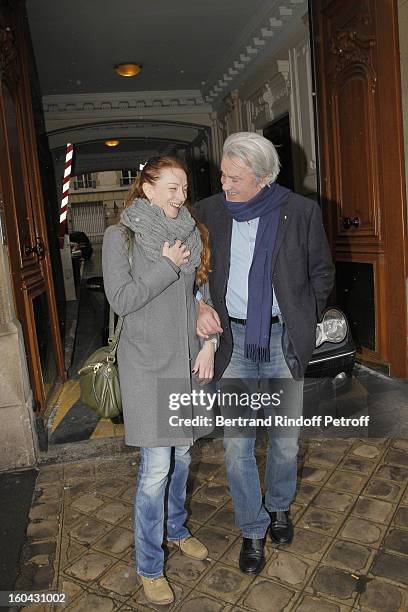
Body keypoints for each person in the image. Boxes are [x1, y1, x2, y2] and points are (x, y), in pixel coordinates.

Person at [195, 132, 335, 574]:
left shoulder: (300, 211)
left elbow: (321, 273)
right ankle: (252, 530)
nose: (225, 183)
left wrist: (302, 321)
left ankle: (279, 506)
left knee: (285, 443)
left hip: (280, 342)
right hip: (231, 343)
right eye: (222, 173)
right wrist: (199, 304)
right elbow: (191, 271)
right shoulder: (209, 212)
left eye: (235, 177)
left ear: (263, 178)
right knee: (237, 448)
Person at [102, 156, 217, 605]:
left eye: (184, 188)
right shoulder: (120, 236)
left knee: (184, 457)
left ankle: (175, 528)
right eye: (171, 187)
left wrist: (207, 339)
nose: (180, 196)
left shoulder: (190, 231)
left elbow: (200, 291)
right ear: (146, 188)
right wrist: (166, 265)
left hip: (187, 363)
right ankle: (149, 566)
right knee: (156, 469)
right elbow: (123, 299)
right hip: (148, 367)